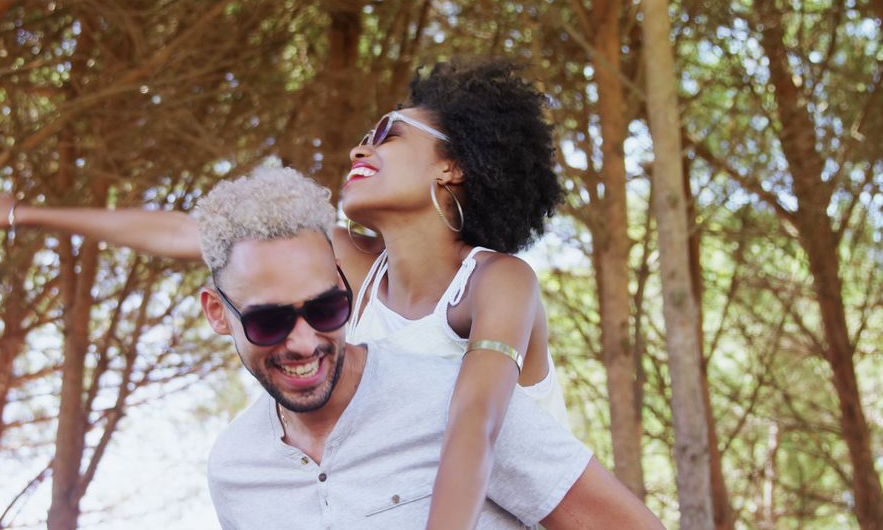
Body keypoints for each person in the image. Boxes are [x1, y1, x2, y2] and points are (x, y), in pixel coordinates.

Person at [0, 60, 569, 527]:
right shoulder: (346, 273)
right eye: (363, 136)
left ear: (452, 166)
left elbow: (476, 423)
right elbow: (193, 233)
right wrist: (24, 213)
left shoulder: (497, 282)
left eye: (387, 134)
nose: (361, 148)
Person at [195, 167, 660, 529]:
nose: (303, 342)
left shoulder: (447, 399)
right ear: (217, 312)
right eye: (269, 321)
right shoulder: (234, 470)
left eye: (325, 309)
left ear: (343, 284)